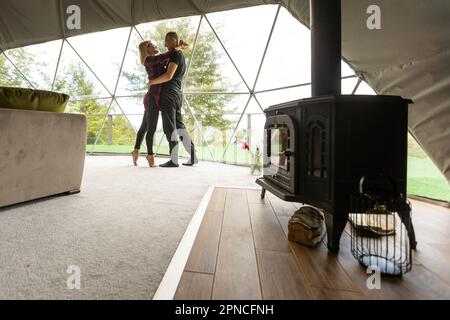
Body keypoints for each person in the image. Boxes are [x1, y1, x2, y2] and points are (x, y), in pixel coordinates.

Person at [131, 39, 187, 167]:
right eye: (151, 45)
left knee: (144, 127)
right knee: (151, 128)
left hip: (154, 97)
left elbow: (166, 59)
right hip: (152, 98)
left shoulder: (155, 60)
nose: (155, 45)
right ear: (146, 50)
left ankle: (135, 151)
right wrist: (178, 47)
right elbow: (166, 55)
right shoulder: (149, 60)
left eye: (154, 44)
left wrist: (178, 47)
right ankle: (150, 157)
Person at [147, 31, 198, 168]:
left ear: (172, 39)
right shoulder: (177, 53)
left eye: (166, 41)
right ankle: (193, 156)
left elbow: (169, 75)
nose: (164, 44)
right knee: (179, 126)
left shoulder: (175, 54)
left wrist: (152, 82)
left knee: (169, 126)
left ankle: (174, 159)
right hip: (176, 94)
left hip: (169, 94)